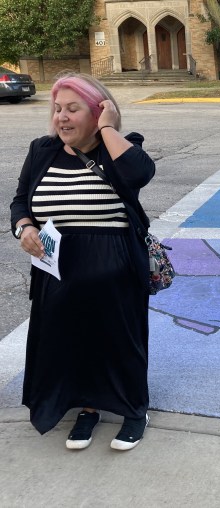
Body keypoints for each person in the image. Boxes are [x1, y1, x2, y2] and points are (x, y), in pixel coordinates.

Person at [10, 72, 156, 451]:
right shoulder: (42, 150)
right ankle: (87, 407)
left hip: (115, 266)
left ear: (97, 112)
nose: (62, 117)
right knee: (71, 340)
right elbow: (21, 200)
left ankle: (134, 409)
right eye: (58, 109)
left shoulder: (121, 148)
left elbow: (140, 174)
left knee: (120, 341)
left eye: (74, 109)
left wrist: (108, 128)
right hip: (56, 267)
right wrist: (24, 226)